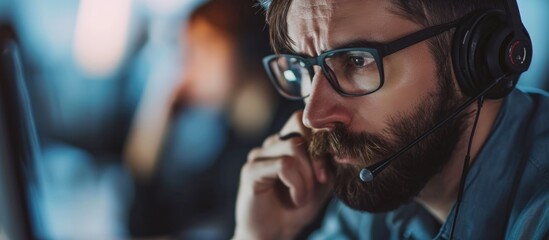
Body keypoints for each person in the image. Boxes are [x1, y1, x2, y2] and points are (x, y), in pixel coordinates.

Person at [232, 0, 549, 239]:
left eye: (357, 61)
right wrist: (260, 236)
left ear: (477, 58)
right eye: (303, 68)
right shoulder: (384, 197)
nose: (313, 117)